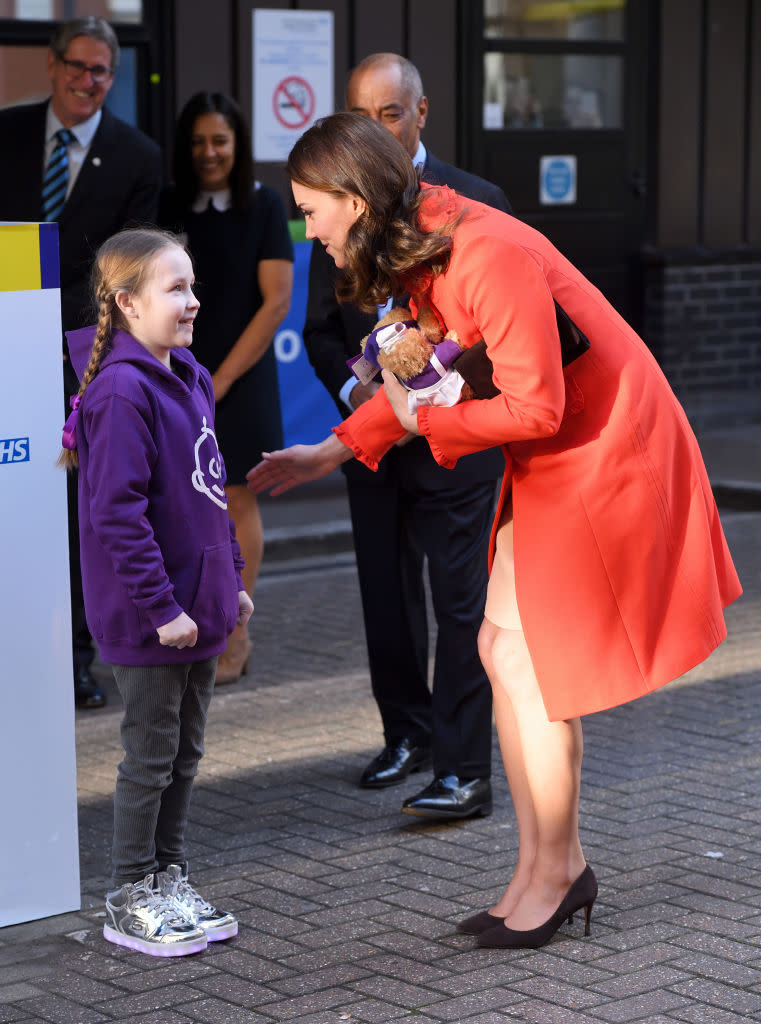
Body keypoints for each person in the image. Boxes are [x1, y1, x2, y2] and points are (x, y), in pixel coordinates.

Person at [247, 112, 742, 950]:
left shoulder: (485, 251)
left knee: (523, 660)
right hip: (557, 450)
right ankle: (544, 866)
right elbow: (425, 372)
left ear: (354, 200)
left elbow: (535, 406)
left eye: (311, 209)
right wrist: (332, 451)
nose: (308, 229)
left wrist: (422, 422)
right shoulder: (429, 241)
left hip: (602, 447)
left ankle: (555, 871)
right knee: (498, 650)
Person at [303, 53, 512, 820]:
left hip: (458, 439)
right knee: (385, 598)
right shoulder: (336, 205)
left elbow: (502, 325)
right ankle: (406, 736)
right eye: (362, 116)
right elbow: (321, 331)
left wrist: (440, 380)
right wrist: (355, 386)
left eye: (389, 114)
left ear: (420, 114)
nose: (377, 129)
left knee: (460, 604)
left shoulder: (477, 202)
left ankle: (463, 770)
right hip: (374, 439)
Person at [59, 227, 254, 956]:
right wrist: (163, 608)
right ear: (127, 303)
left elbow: (211, 487)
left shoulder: (192, 375)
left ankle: (170, 879)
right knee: (148, 757)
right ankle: (129, 893)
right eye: (176, 288)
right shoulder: (118, 391)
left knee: (186, 753)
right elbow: (116, 514)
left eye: (192, 285)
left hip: (197, 608)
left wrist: (229, 581)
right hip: (152, 620)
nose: (194, 301)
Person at [0, 16, 162, 710]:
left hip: (81, 357)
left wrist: (72, 332)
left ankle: (73, 659)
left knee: (72, 506)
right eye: (77, 66)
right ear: (52, 64)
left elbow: (131, 265)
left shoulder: (137, 156)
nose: (87, 81)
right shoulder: (5, 133)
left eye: (101, 71)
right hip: (5, 345)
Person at [159, 92, 293, 684]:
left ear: (237, 146)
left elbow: (277, 302)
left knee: (236, 500)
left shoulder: (263, 206)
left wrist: (221, 379)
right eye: (198, 141)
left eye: (220, 140)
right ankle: (191, 623)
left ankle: (236, 633)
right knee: (178, 502)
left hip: (239, 378)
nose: (208, 152)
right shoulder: (168, 207)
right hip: (175, 374)